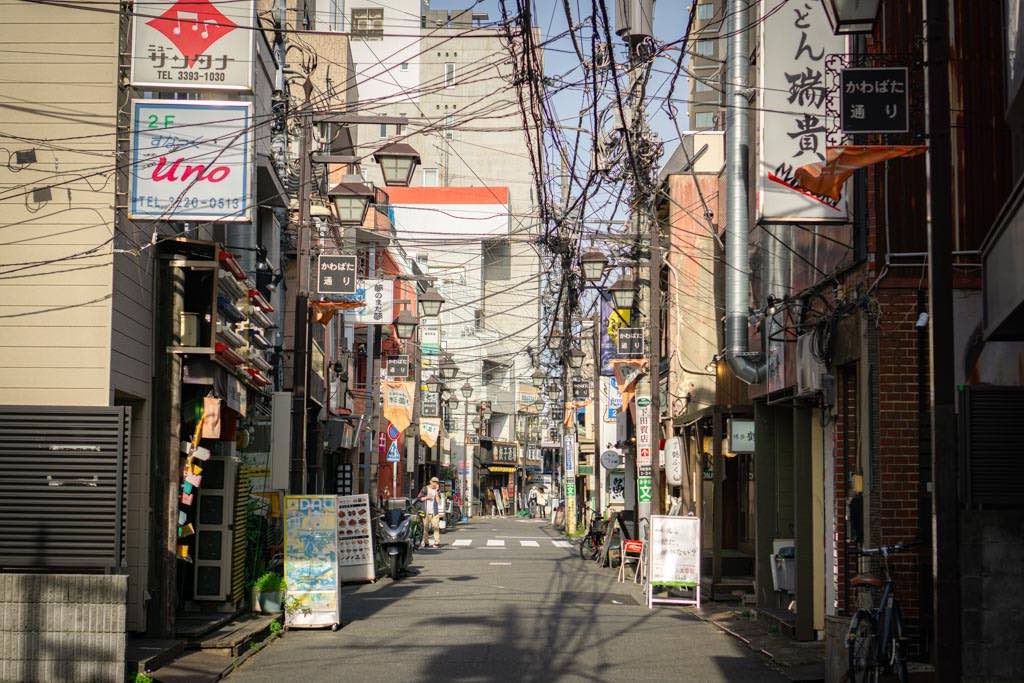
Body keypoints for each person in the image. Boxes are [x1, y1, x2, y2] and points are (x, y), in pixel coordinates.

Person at [416, 476, 443, 547]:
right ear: (430, 482)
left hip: (435, 512)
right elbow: (419, 498)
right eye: (434, 482)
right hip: (426, 511)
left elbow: (439, 502)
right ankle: (426, 542)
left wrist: (437, 492)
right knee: (426, 528)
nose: (435, 483)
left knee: (436, 527)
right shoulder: (425, 488)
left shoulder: (438, 490)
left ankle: (437, 542)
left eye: (436, 482)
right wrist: (426, 497)